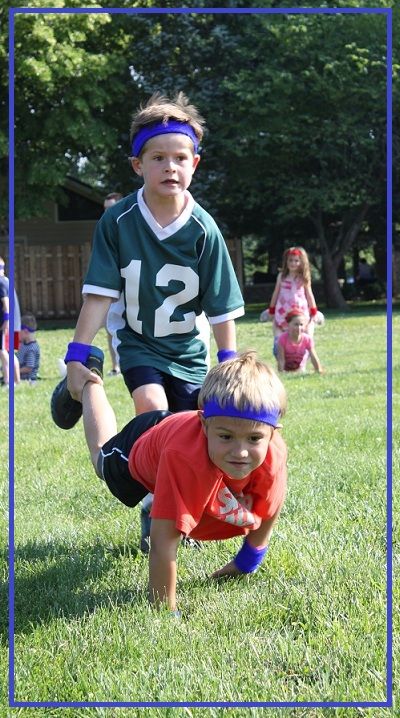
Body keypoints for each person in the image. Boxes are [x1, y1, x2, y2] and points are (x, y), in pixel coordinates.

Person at [50, 91, 244, 550]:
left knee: (193, 431)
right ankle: (158, 512)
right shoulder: (118, 222)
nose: (170, 167)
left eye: (180, 157)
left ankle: (172, 504)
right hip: (139, 341)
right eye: (158, 157)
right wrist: (78, 352)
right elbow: (99, 293)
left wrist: (229, 362)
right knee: (155, 417)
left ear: (195, 163)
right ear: (138, 165)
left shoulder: (204, 229)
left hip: (189, 349)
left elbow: (221, 306)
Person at [79, 350, 287, 614]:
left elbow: (269, 508)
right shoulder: (184, 459)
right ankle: (88, 378)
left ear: (272, 434)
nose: (241, 451)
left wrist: (246, 563)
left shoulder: (274, 454)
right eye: (226, 437)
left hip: (178, 436)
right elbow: (163, 541)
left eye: (254, 439)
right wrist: (165, 612)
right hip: (144, 442)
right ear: (203, 424)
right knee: (100, 458)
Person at [266, 247, 318, 355]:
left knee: (302, 334)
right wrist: (271, 309)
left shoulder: (303, 277)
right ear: (286, 261)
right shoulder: (282, 276)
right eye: (290, 260)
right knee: (281, 335)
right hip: (283, 311)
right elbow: (275, 293)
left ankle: (301, 359)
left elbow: (309, 294)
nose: (293, 263)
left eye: (296, 260)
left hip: (300, 311)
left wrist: (313, 311)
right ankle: (282, 359)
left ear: (301, 262)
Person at [102, 192, 123, 376]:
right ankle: (115, 366)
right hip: (112, 290)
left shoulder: (129, 228)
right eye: (105, 209)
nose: (107, 212)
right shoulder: (104, 230)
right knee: (110, 327)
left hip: (132, 290)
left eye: (111, 208)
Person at [276, 309, 323, 374]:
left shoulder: (307, 339)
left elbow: (313, 356)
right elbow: (281, 359)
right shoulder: (282, 339)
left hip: (299, 368)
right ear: (288, 324)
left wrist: (319, 370)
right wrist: (281, 373)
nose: (299, 327)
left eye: (301, 325)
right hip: (286, 369)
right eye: (296, 324)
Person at [16, 313, 41, 382]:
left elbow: (29, 368)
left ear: (25, 332)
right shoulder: (23, 344)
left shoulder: (31, 348)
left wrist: (14, 371)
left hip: (27, 378)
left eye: (18, 331)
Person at [0, 258, 10, 385]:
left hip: (2, 324)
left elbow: (6, 303)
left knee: (3, 351)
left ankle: (8, 380)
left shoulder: (2, 282)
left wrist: (6, 321)